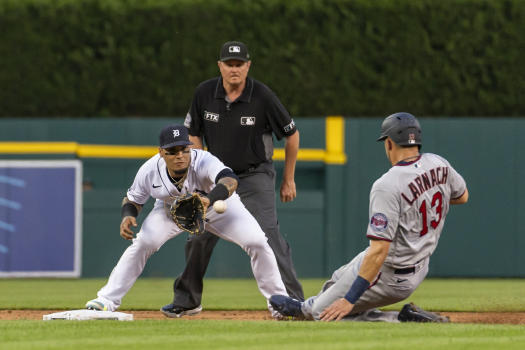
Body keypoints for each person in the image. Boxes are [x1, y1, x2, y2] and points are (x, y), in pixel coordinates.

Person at [270, 112, 469, 322]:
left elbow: (379, 251)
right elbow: (462, 196)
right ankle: (304, 308)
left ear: (390, 143)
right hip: (419, 265)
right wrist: (420, 205)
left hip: (390, 272)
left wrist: (349, 300)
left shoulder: (388, 185)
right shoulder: (439, 164)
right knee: (339, 277)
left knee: (325, 314)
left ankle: (402, 320)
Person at [85, 124, 288, 318]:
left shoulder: (204, 160)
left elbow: (230, 180)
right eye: (173, 151)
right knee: (144, 243)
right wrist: (128, 215)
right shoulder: (149, 170)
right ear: (161, 152)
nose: (180, 155)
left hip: (218, 207)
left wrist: (210, 199)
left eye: (184, 149)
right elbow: (133, 199)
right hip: (171, 210)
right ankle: (105, 300)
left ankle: (280, 304)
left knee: (258, 242)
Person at [161, 41, 302, 317]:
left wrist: (289, 179)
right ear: (220, 66)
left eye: (239, 64)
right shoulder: (204, 93)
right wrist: (200, 166)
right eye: (229, 64)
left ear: (248, 66)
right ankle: (188, 299)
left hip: (255, 175)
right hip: (218, 176)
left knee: (267, 235)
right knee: (197, 233)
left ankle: (292, 301)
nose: (234, 69)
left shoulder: (262, 95)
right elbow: (192, 133)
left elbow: (292, 135)